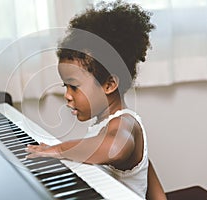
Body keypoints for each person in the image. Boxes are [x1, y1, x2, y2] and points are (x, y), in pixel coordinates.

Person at [26, 1, 166, 199]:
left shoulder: (124, 123)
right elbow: (152, 183)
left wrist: (58, 149)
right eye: (64, 86)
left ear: (109, 85)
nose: (67, 95)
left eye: (74, 86)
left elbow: (115, 148)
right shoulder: (109, 125)